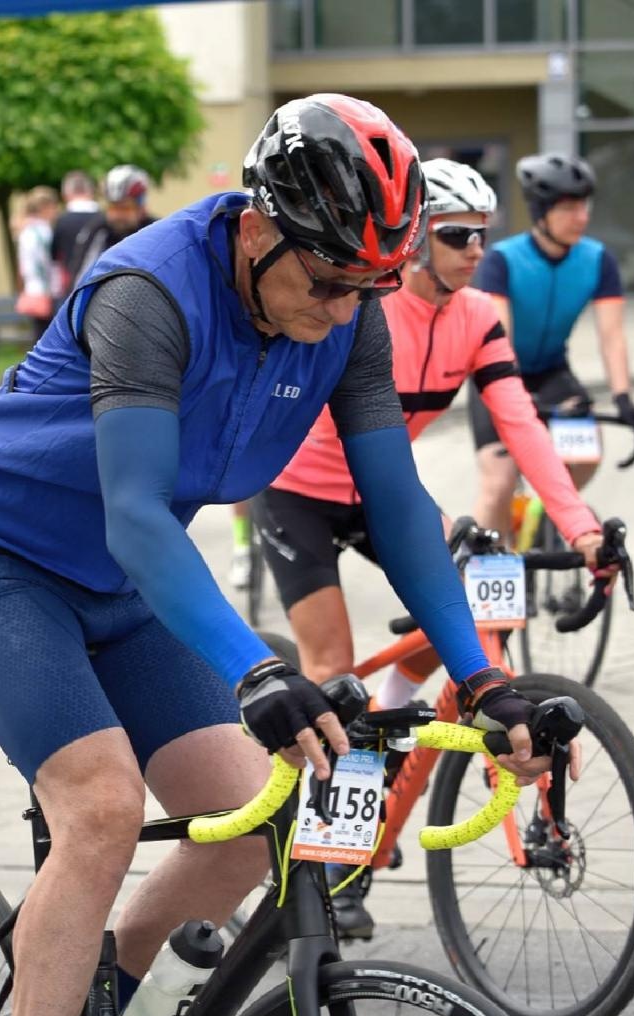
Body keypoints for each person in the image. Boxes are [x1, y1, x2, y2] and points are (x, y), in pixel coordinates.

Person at [0, 94, 556, 1016]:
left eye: (369, 286)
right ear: (256, 228)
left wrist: (484, 680)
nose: (344, 309)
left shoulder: (349, 313)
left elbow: (398, 509)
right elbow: (133, 514)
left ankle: (102, 995)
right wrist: (256, 671)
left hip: (128, 584)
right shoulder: (148, 292)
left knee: (261, 814)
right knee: (103, 807)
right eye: (329, 279)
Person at [252, 158, 607, 938]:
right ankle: (329, 868)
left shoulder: (479, 317)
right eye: (455, 235)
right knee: (332, 669)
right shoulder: (369, 308)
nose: (475, 250)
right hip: (300, 491)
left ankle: (385, 745)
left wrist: (578, 523)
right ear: (414, 241)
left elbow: (520, 425)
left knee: (457, 627)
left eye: (482, 236)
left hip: (384, 494)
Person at [469, 153, 634, 540]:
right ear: (541, 213)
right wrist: (517, 402)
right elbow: (500, 340)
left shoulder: (597, 260)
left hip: (552, 369)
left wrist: (623, 397)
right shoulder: (503, 260)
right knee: (499, 482)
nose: (581, 217)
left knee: (587, 453)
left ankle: (544, 515)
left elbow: (612, 336)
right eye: (569, 208)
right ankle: (495, 576)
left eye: (583, 206)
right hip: (498, 375)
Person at [69, 165, 161, 285]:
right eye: (113, 207)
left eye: (125, 208)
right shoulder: (98, 230)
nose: (118, 215)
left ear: (141, 207)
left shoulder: (155, 232)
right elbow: (80, 277)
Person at [14, 186, 59, 343]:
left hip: (32, 290)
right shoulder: (42, 231)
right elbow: (47, 263)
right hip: (46, 292)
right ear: (45, 207)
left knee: (39, 337)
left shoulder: (26, 230)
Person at [50, 169, 101, 304]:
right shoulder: (103, 218)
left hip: (72, 289)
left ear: (66, 193)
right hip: (101, 285)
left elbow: (55, 259)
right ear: (91, 191)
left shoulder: (62, 221)